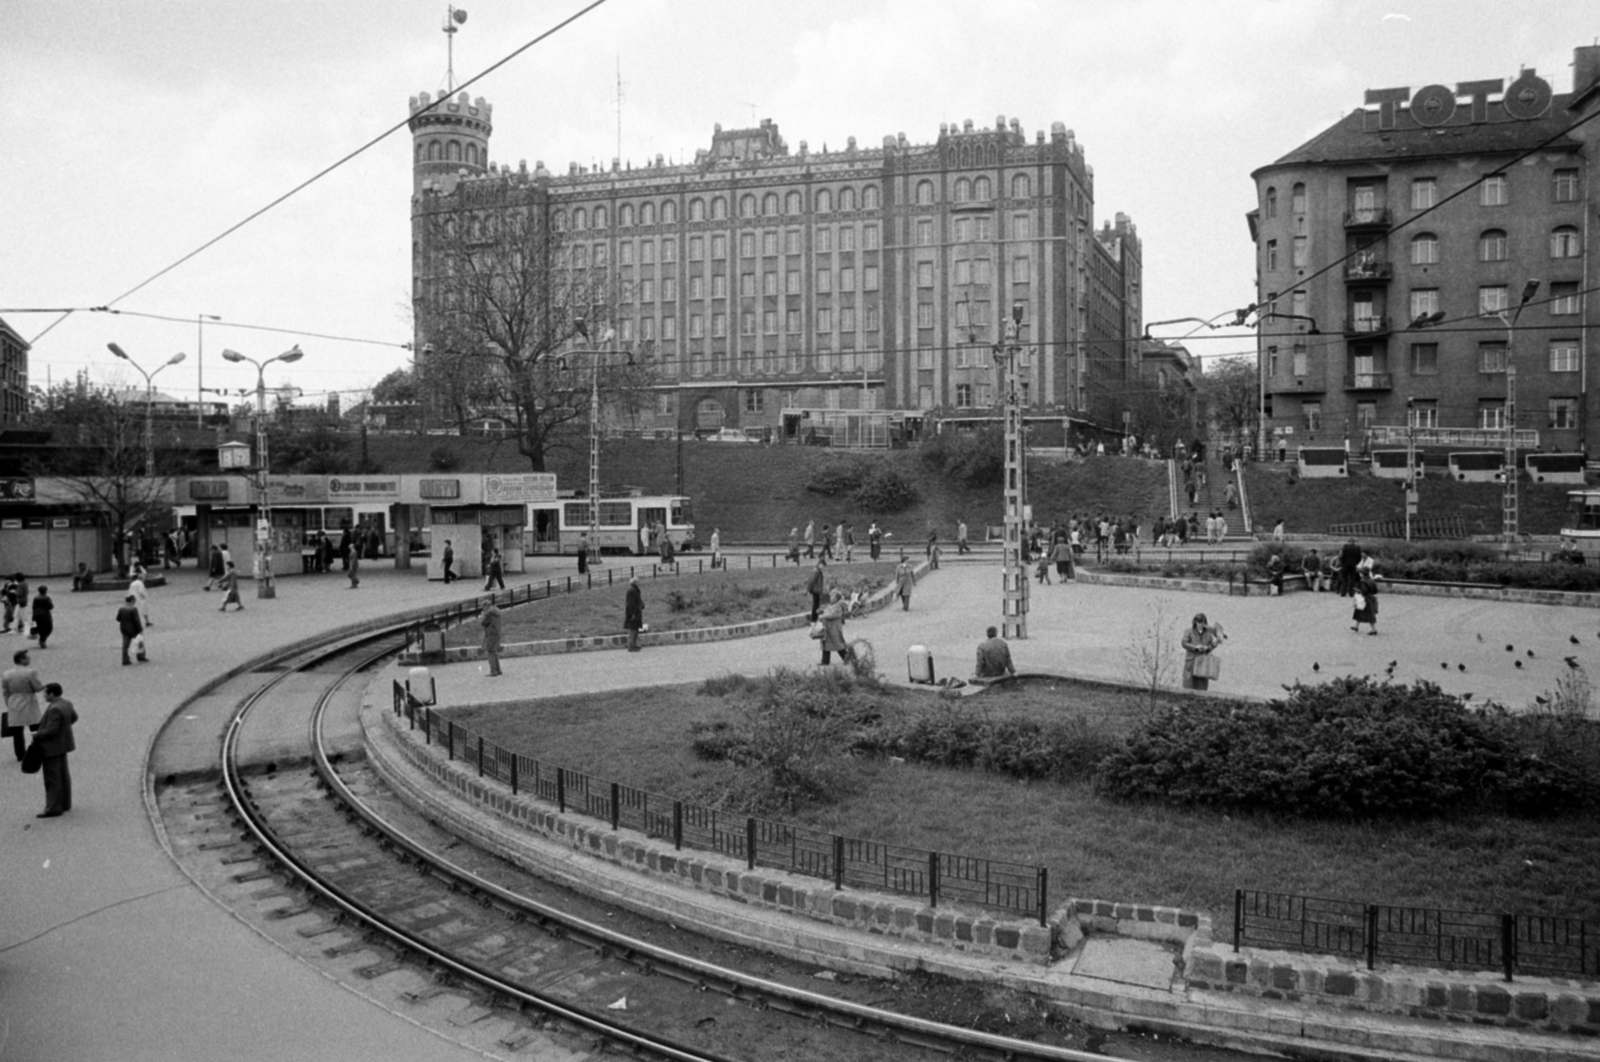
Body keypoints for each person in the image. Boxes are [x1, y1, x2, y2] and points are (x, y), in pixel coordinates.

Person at [31, 682, 77, 818]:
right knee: (63, 775)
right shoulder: (66, 703)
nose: (44, 695)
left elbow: (52, 729)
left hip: (52, 747)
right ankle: (65, 803)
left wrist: (37, 735)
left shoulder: (54, 708)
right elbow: (74, 717)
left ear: (51, 694)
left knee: (52, 778)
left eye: (45, 693)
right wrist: (64, 729)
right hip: (64, 745)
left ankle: (54, 807)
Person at [3, 648, 43, 762]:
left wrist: (9, 703)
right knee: (35, 727)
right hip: (28, 700)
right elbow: (37, 687)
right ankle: (37, 750)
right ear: (22, 659)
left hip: (14, 701)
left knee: (17, 731)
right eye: (27, 657)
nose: (29, 659)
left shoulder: (7, 674)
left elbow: (5, 691)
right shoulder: (30, 672)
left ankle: (20, 754)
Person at [1181, 612, 1225, 691]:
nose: (1201, 625)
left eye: (1203, 623)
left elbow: (1210, 648)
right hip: (1191, 664)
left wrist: (1216, 642)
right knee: (1188, 688)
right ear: (1195, 623)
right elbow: (1184, 643)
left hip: (1203, 665)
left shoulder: (1208, 634)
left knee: (1201, 690)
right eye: (1199, 623)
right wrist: (1195, 647)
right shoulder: (1189, 631)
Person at [817, 589, 853, 666]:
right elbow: (829, 612)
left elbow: (832, 615)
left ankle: (846, 658)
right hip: (828, 628)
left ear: (836, 598)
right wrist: (822, 612)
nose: (830, 597)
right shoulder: (832, 605)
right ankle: (825, 660)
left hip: (834, 628)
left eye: (832, 596)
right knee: (826, 644)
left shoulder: (838, 606)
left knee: (837, 644)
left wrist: (822, 616)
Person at [117, 593, 147, 665]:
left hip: (124, 629)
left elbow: (118, 619)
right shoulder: (133, 609)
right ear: (132, 601)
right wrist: (140, 630)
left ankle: (125, 659)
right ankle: (140, 656)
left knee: (125, 645)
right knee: (140, 642)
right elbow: (137, 621)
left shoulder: (121, 608)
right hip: (133, 630)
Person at [480, 597, 503, 676]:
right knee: (494, 651)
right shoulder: (496, 611)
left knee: (490, 652)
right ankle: (498, 670)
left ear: (486, 606)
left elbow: (483, 623)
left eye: (483, 607)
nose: (483, 609)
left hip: (491, 634)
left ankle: (493, 671)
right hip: (497, 633)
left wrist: (483, 615)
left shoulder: (489, 613)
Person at [1352, 570, 1379, 635]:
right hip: (1371, 597)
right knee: (1359, 611)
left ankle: (1373, 630)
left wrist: (1357, 590)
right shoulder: (1372, 581)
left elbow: (1364, 591)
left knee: (1369, 614)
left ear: (1362, 574)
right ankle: (1356, 626)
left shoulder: (1362, 582)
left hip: (1365, 599)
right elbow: (1375, 591)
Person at [623, 576, 644, 652]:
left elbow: (638, 599)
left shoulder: (634, 590)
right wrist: (632, 613)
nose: (639, 583)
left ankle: (634, 645)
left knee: (635, 629)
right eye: (638, 582)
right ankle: (631, 646)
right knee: (633, 630)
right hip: (633, 613)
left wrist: (642, 604)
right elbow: (630, 603)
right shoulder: (631, 591)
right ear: (635, 582)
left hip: (636, 612)